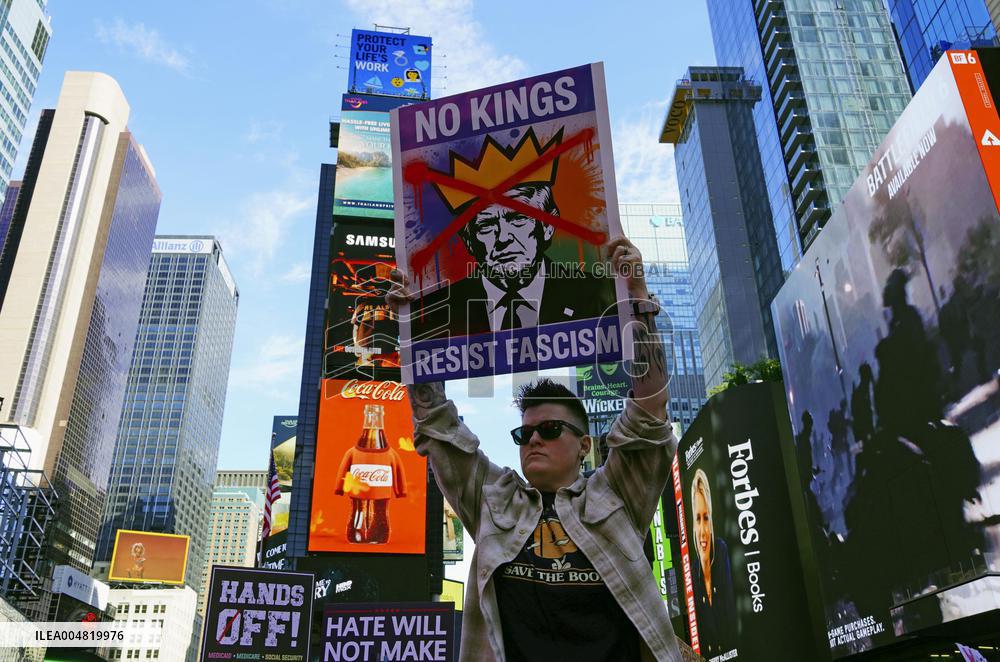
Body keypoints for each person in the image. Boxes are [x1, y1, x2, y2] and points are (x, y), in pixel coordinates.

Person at [389, 237, 693, 662]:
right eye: (524, 433)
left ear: (584, 445)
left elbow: (649, 406)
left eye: (550, 430)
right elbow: (436, 424)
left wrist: (636, 297)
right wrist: (415, 326)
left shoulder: (617, 494)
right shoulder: (492, 499)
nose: (533, 439)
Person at [411, 181, 616, 339]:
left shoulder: (597, 294)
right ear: (469, 241)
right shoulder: (435, 308)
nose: (503, 238)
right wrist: (406, 314)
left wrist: (639, 292)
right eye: (486, 226)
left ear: (547, 226)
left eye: (518, 219)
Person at [688, 470, 736, 658]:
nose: (702, 530)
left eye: (706, 518)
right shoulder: (693, 572)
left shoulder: (722, 551)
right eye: (698, 519)